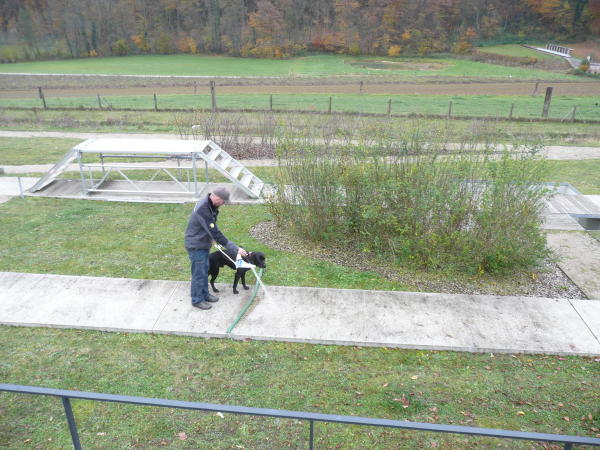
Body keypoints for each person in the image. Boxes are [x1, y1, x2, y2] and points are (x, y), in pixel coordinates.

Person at [184, 187, 247, 310]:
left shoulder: (210, 205)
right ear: (217, 198)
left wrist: (209, 236)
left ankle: (205, 294)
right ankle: (197, 300)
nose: (223, 204)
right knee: (199, 273)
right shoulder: (203, 208)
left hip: (203, 243)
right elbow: (216, 233)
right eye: (223, 202)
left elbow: (208, 226)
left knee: (205, 269)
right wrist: (235, 249)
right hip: (196, 245)